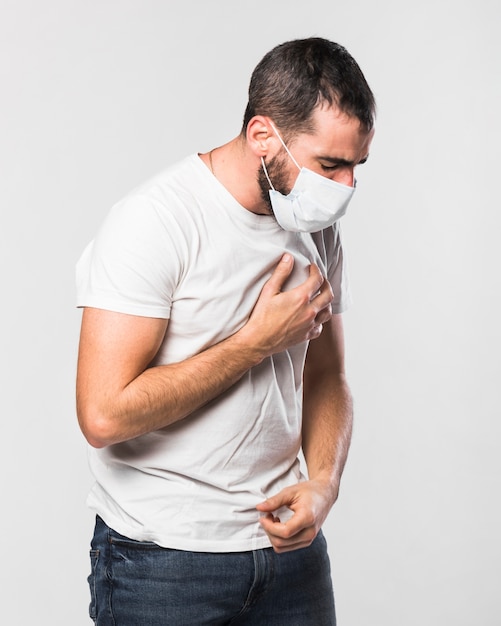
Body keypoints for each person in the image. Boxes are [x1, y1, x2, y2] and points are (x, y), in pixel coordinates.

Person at [76, 37, 375, 625]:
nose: (345, 189)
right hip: (161, 560)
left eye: (357, 166)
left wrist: (324, 485)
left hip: (289, 556)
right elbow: (102, 416)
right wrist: (256, 342)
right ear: (264, 136)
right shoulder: (156, 222)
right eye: (330, 165)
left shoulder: (315, 228)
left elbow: (327, 375)